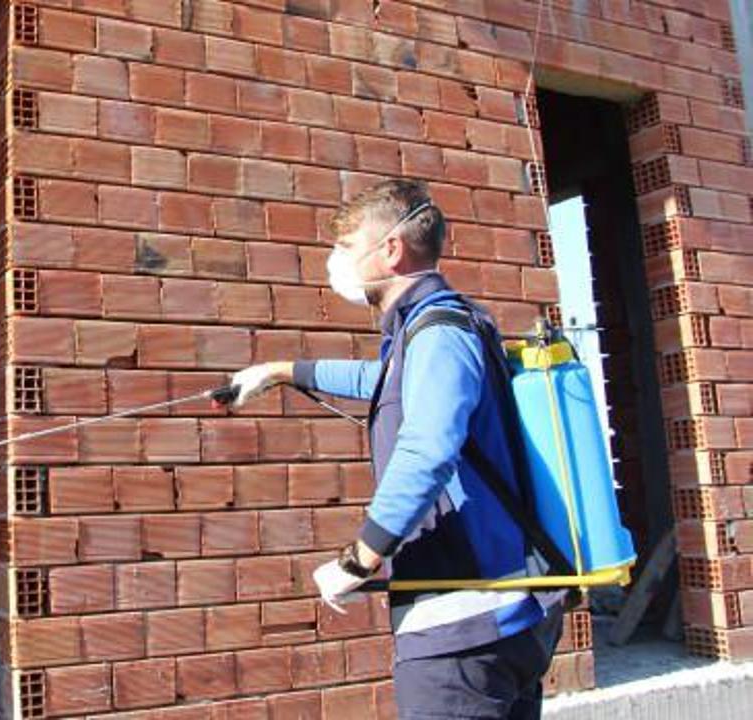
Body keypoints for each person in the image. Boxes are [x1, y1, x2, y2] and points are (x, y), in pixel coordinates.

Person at [228, 180, 566, 719]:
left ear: (390, 250)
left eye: (344, 246)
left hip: (463, 629)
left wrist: (360, 557)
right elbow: (383, 381)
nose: (335, 261)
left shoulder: (438, 329)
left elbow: (429, 448)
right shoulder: (438, 328)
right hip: (496, 619)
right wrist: (282, 372)